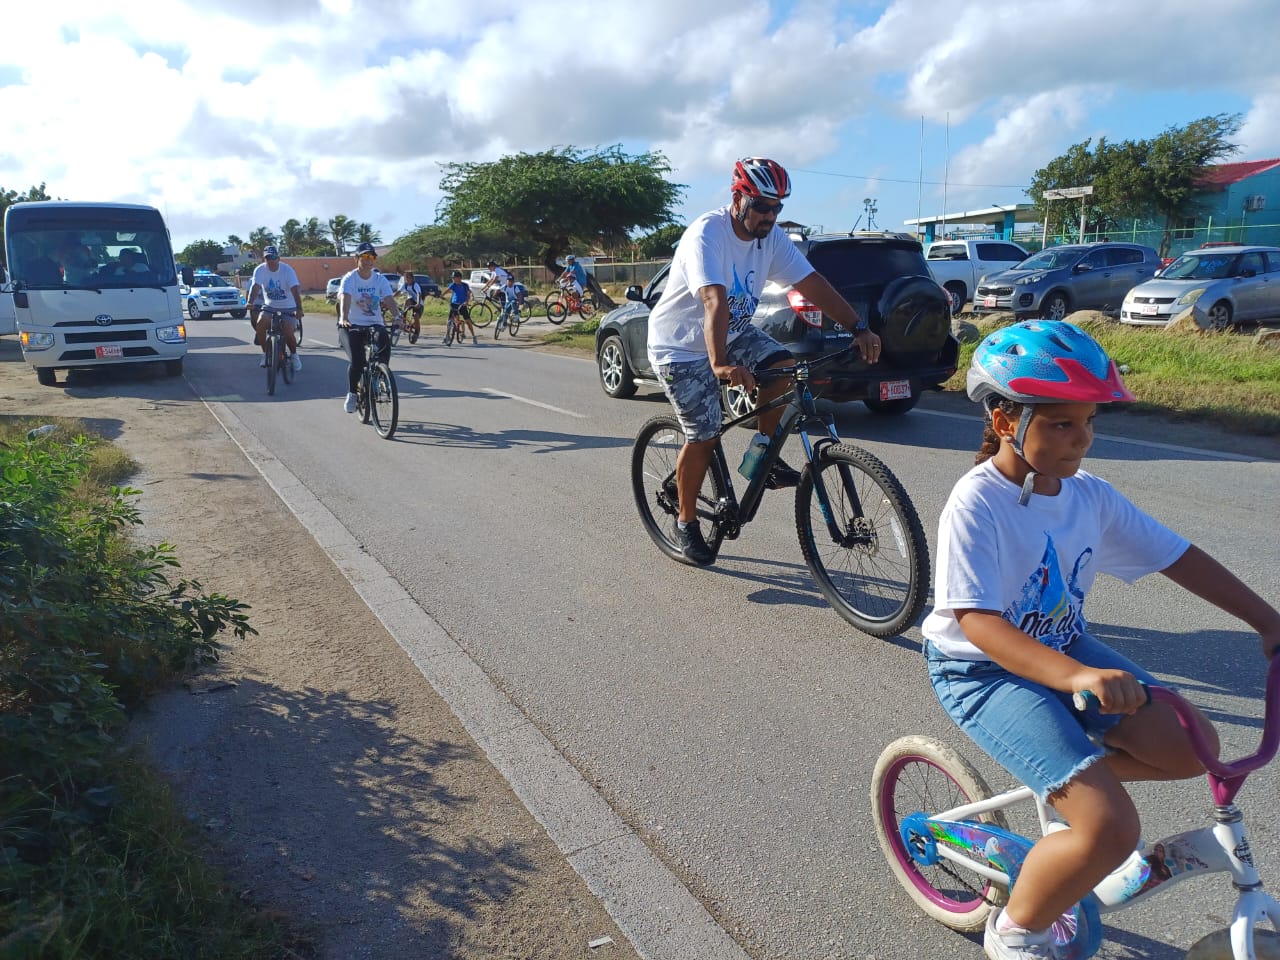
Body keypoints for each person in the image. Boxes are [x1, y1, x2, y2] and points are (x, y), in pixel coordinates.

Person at [922, 320, 1280, 960]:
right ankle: (1015, 933)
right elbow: (977, 622)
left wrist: (1268, 620)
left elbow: (1178, 557)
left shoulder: (1091, 497)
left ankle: (1067, 787)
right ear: (1006, 420)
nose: (1081, 439)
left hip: (1063, 652)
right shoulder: (977, 503)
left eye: (1088, 422)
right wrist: (1076, 678)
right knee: (1111, 828)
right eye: (1061, 424)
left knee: (1192, 746)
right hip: (979, 670)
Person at [645, 156, 881, 565]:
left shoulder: (770, 239)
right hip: (680, 346)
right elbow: (714, 300)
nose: (770, 216)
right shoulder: (708, 234)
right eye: (761, 206)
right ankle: (685, 523)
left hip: (732, 332)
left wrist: (859, 326)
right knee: (704, 435)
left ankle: (762, 458)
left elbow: (812, 283)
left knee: (785, 369)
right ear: (738, 198)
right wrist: (719, 363)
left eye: (777, 208)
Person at [337, 241, 396, 413]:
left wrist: (398, 316)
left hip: (373, 324)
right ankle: (352, 393)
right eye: (364, 256)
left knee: (383, 338)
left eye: (372, 257)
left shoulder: (379, 279)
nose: (369, 260)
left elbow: (389, 299)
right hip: (351, 325)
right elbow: (345, 297)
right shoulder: (350, 278)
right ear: (356, 259)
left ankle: (379, 376)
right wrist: (344, 317)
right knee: (357, 361)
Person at [247, 245, 303, 372]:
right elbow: (255, 287)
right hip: (269, 306)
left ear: (278, 258)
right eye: (268, 258)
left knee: (288, 331)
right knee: (260, 326)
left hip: (288, 306)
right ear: (264, 259)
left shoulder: (287, 270)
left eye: (273, 257)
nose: (271, 261)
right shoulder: (260, 270)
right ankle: (265, 353)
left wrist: (299, 308)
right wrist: (250, 302)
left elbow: (295, 290)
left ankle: (294, 355)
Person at [443, 269, 477, 345]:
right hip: (454, 304)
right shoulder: (453, 285)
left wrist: (466, 302)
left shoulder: (465, 285)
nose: (453, 279)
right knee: (449, 320)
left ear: (459, 278)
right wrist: (441, 295)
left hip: (462, 304)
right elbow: (447, 290)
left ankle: (474, 336)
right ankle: (447, 336)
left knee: (468, 321)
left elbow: (468, 295)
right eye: (453, 278)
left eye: (454, 277)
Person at [397, 270, 427, 344]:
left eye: (408, 277)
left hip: (419, 303)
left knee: (416, 316)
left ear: (412, 278)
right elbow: (399, 292)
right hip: (411, 301)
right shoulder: (405, 284)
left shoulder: (415, 285)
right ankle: (404, 319)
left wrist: (418, 303)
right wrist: (390, 297)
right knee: (408, 301)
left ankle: (417, 331)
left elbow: (418, 294)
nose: (407, 279)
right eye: (406, 278)